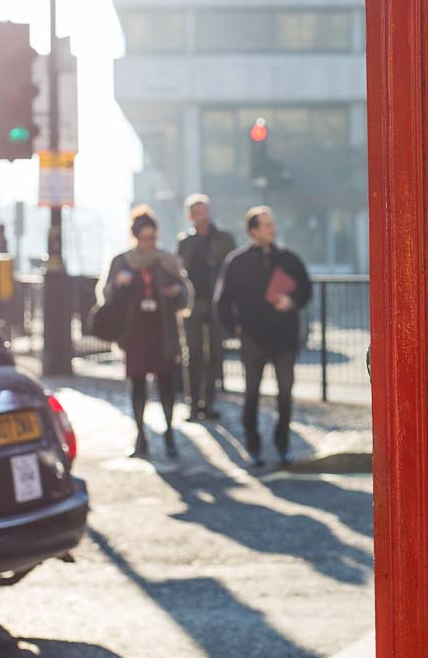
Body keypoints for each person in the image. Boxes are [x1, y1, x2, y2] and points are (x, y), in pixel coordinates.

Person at [214, 206, 312, 469]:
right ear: (253, 230)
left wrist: (290, 301)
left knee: (285, 396)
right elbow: (221, 302)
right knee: (252, 396)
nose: (273, 230)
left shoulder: (289, 259)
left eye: (273, 225)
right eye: (267, 226)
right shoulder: (237, 261)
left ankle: (283, 447)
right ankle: (253, 447)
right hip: (253, 339)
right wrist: (235, 328)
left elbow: (306, 290)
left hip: (284, 338)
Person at [96, 206, 193, 458]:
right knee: (137, 384)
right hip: (134, 331)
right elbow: (106, 294)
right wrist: (118, 285)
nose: (149, 243)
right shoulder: (122, 261)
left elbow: (185, 294)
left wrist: (175, 294)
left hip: (163, 330)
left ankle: (170, 433)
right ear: (136, 236)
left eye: (153, 238)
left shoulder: (166, 260)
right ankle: (141, 436)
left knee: (166, 385)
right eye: (145, 238)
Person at [176, 193, 236, 421]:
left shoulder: (223, 238)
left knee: (215, 354)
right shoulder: (185, 241)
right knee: (192, 354)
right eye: (195, 212)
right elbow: (179, 271)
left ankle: (208, 403)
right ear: (190, 215)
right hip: (193, 303)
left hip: (217, 302)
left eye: (202, 211)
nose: (199, 216)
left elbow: (232, 268)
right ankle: (192, 404)